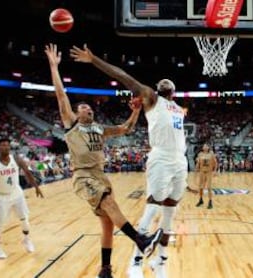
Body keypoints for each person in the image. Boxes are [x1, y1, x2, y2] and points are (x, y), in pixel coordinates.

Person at [44, 43, 163, 278]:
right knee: (109, 203)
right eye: (83, 107)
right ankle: (140, 240)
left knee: (108, 223)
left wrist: (136, 110)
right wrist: (53, 66)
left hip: (101, 175)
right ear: (76, 113)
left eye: (89, 107)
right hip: (84, 176)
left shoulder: (99, 128)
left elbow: (125, 128)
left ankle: (105, 269)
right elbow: (60, 95)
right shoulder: (72, 124)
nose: (88, 109)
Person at [70, 44, 188, 278]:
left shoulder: (177, 108)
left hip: (180, 161)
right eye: (161, 82)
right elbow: (123, 76)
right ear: (157, 89)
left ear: (173, 91)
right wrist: (94, 59)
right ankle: (135, 262)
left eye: (168, 83)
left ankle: (160, 263)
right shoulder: (153, 99)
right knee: (152, 207)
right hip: (161, 158)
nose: (164, 83)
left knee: (169, 214)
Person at [0, 138, 44, 259]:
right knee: (0, 224)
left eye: (8, 145)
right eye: (3, 145)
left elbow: (27, 172)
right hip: (2, 196)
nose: (6, 147)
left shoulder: (16, 159)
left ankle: (26, 239)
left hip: (17, 194)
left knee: (25, 219)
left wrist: (36, 187)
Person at [195, 143, 218, 209]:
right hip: (202, 172)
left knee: (209, 187)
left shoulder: (211, 154)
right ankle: (201, 200)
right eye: (204, 146)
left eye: (206, 146)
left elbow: (215, 163)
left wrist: (215, 171)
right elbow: (198, 163)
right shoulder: (200, 154)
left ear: (208, 147)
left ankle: (210, 202)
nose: (205, 147)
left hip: (209, 172)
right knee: (201, 187)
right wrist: (196, 171)